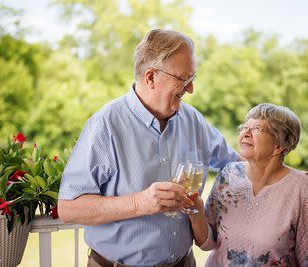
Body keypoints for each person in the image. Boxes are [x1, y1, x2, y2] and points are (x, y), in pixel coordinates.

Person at [57, 29, 239, 267]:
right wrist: (140, 203)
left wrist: (285, 176)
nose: (191, 89)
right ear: (151, 77)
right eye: (184, 79)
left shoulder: (194, 120)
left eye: (192, 78)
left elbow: (237, 167)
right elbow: (69, 208)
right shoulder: (106, 125)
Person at [189, 103, 308, 266]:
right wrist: (195, 210)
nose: (245, 133)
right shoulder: (228, 175)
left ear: (279, 146)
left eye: (257, 129)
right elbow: (208, 242)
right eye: (245, 127)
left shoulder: (303, 189)